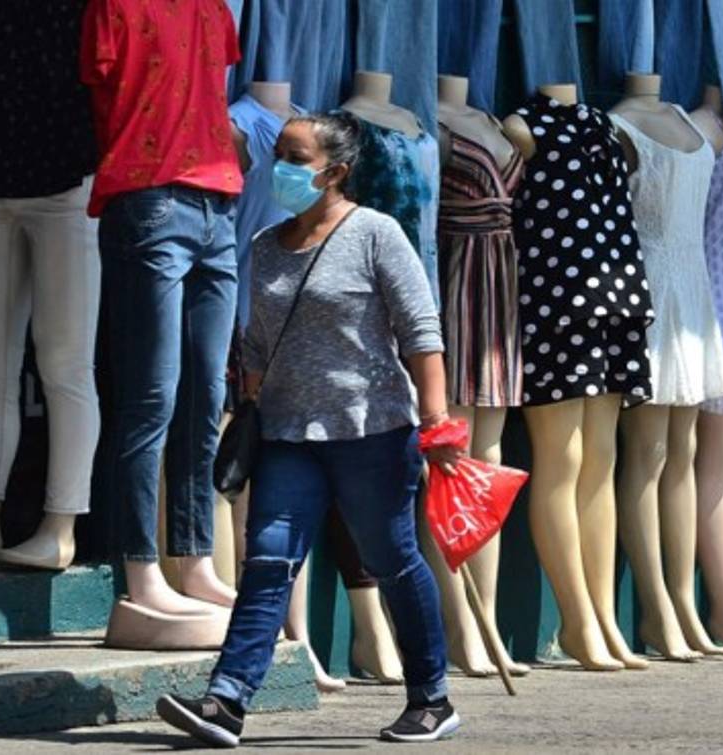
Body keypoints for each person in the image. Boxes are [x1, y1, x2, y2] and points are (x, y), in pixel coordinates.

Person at [155, 113, 463, 746]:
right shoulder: (265, 245)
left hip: (372, 431)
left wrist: (436, 422)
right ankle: (227, 701)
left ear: (336, 172)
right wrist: (249, 401)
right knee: (268, 560)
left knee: (394, 562)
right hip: (289, 435)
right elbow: (259, 342)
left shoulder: (376, 234)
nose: (281, 169)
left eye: (296, 157)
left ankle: (431, 697)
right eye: (280, 156)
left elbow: (421, 332)